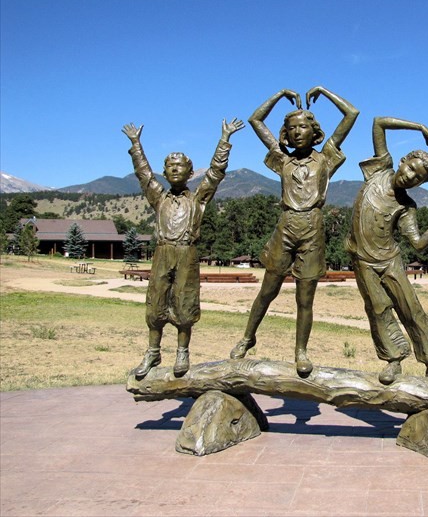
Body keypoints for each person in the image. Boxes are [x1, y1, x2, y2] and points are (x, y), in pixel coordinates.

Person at [230, 87, 358, 376]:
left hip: (313, 229)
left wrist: (324, 92)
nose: (298, 131)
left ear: (314, 131)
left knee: (305, 298)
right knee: (267, 291)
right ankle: (247, 337)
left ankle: (301, 351)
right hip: (285, 227)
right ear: (285, 134)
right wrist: (278, 95)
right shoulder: (282, 160)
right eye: (291, 128)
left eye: (303, 126)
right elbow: (256, 121)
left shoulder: (325, 158)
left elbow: (352, 114)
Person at [122, 118, 245, 379]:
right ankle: (153, 351)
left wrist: (225, 140)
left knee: (185, 303)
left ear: (190, 173)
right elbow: (143, 174)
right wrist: (136, 144)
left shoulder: (198, 198)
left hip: (186, 253)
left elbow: (215, 173)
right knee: (156, 303)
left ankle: (182, 351)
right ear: (164, 174)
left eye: (180, 166)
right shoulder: (158, 196)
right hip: (163, 252)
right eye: (169, 166)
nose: (175, 169)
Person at [345, 116, 428, 389]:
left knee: (411, 309)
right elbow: (378, 123)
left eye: (419, 178)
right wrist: (420, 127)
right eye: (412, 168)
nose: (411, 176)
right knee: (378, 309)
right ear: (403, 160)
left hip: (389, 261)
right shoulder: (379, 169)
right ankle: (393, 360)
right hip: (363, 260)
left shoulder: (407, 206)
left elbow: (418, 243)